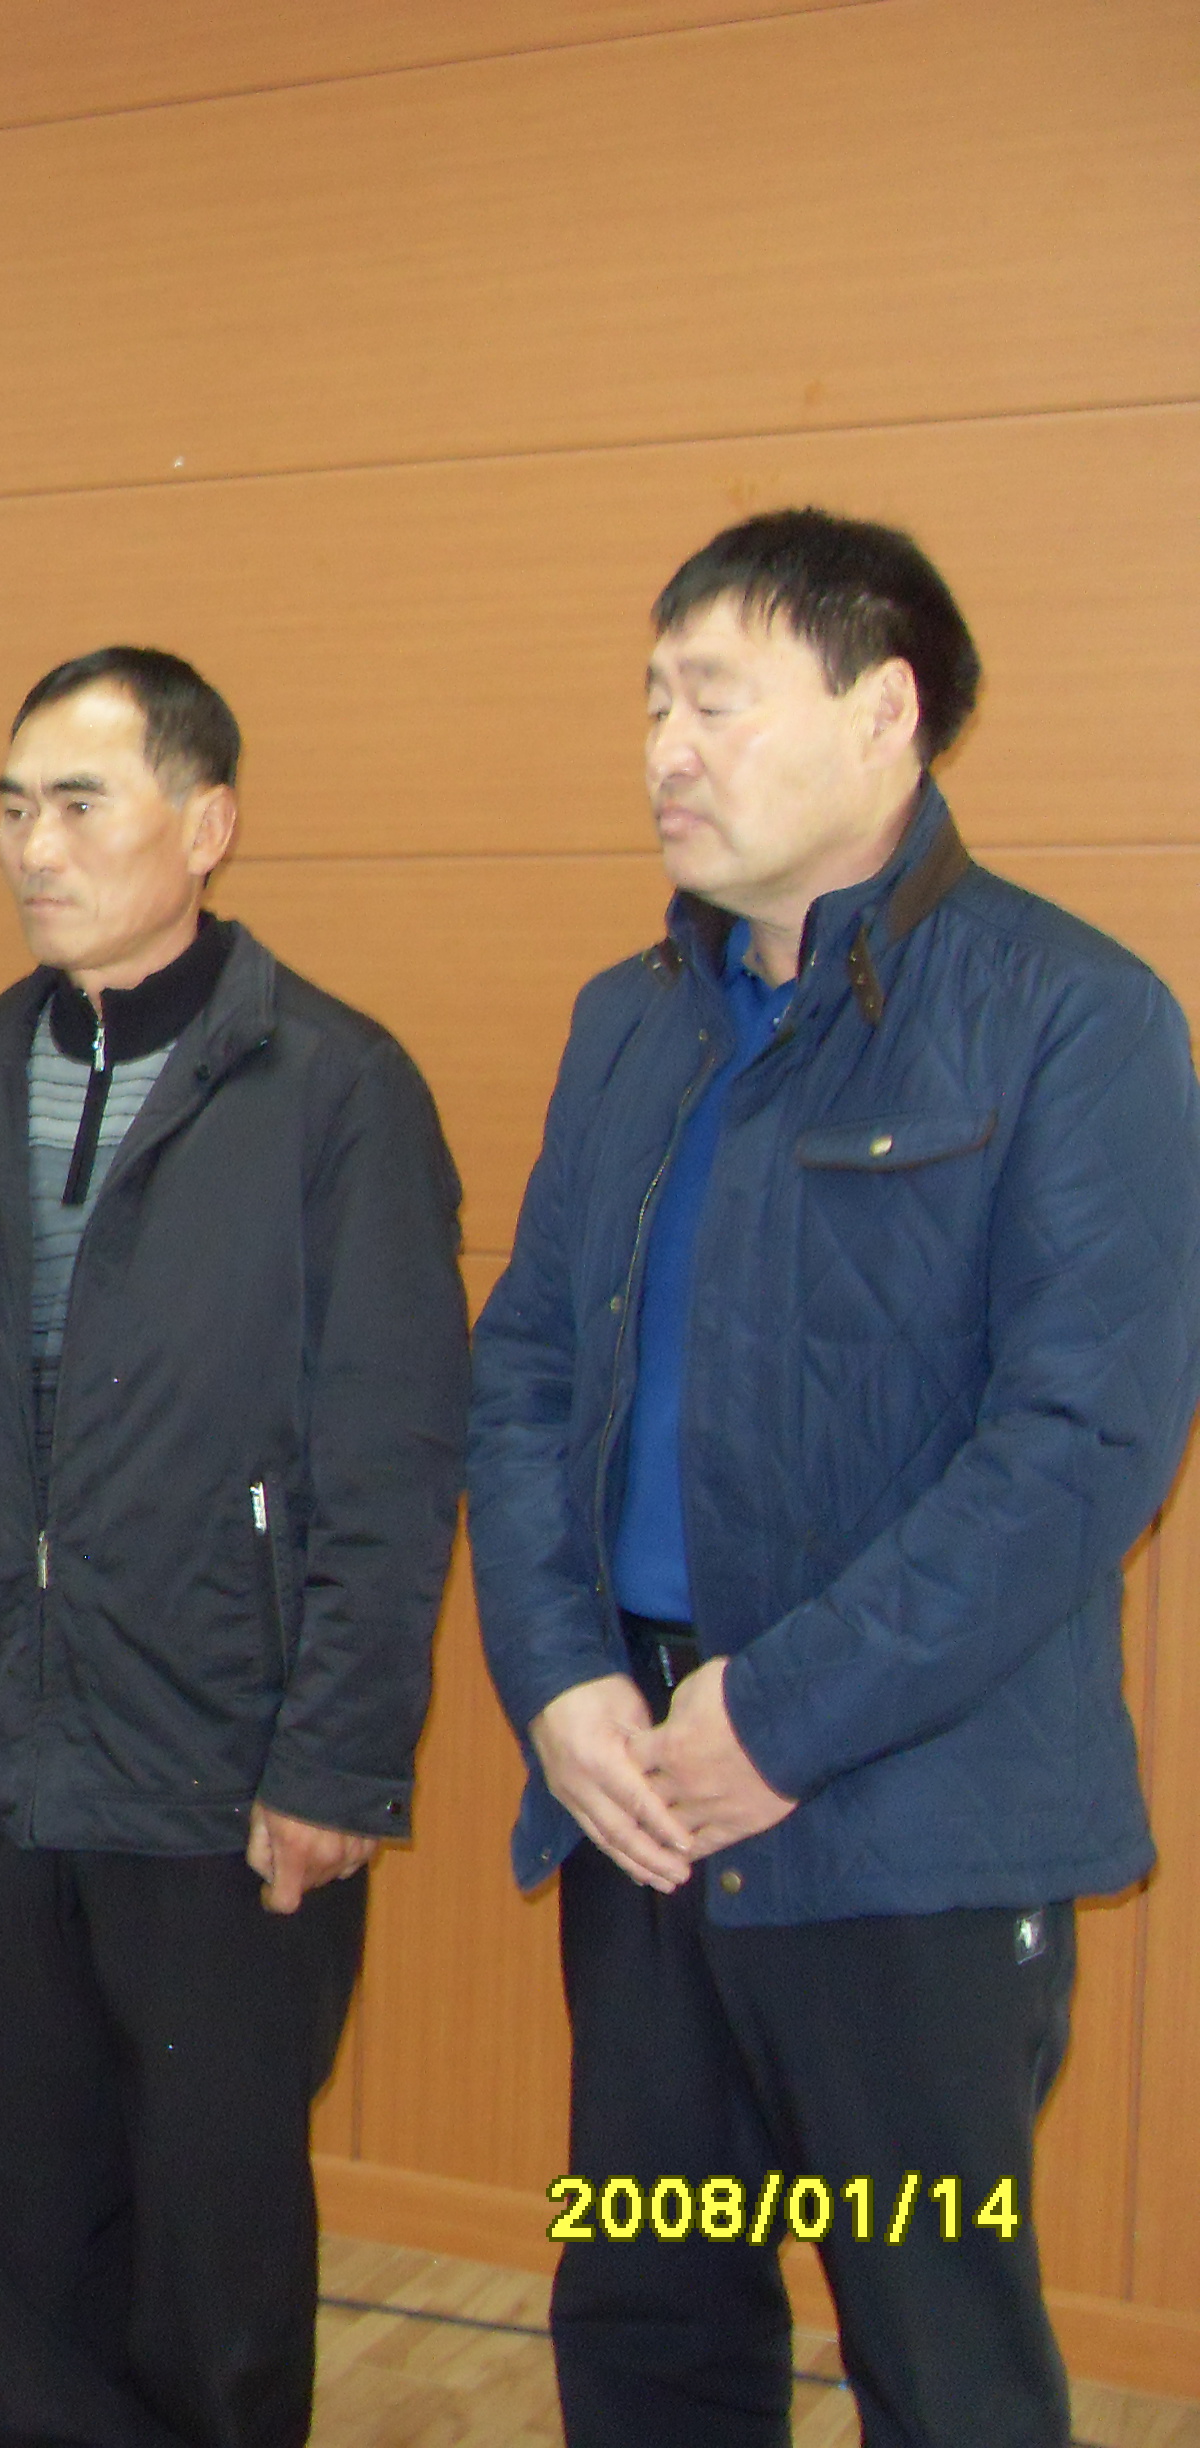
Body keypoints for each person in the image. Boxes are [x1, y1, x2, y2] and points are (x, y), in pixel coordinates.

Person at [470, 508, 1200, 2447]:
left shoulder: (1074, 1017)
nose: (665, 748)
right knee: (651, 2321)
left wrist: (778, 1720)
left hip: (906, 1825)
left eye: (715, 699)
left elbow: (1082, 1446)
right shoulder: (629, 1022)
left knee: (938, 2360)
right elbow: (525, 1370)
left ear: (888, 715)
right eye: (652, 701)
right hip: (640, 1801)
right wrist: (558, 1681)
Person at [0, 647, 469, 2448]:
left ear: (207, 826)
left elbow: (392, 1460)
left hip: (225, 1775)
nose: (33, 847)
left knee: (213, 2247)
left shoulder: (334, 1088)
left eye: (78, 804)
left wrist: (337, 1759)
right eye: (12, 808)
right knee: (23, 2215)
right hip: (5, 1756)